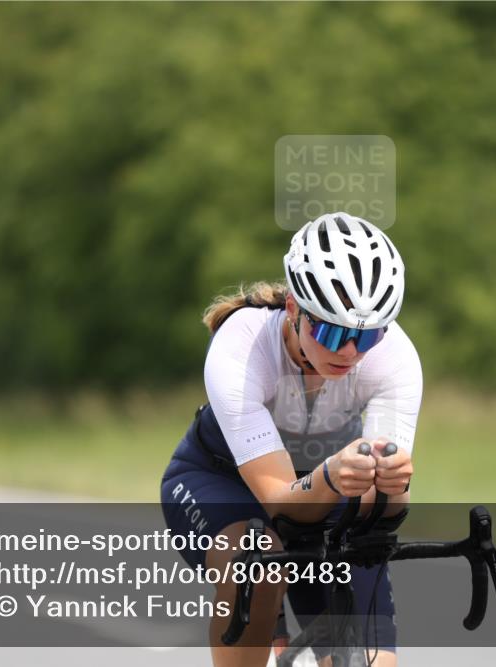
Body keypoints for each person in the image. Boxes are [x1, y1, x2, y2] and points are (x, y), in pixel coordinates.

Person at [160, 212, 423, 666]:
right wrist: (333, 476)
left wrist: (393, 487)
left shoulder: (394, 359)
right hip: (224, 483)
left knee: (372, 659)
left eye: (367, 336)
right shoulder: (240, 347)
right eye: (333, 331)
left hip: (327, 484)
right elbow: (282, 504)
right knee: (256, 562)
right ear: (294, 310)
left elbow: (379, 519)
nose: (349, 352)